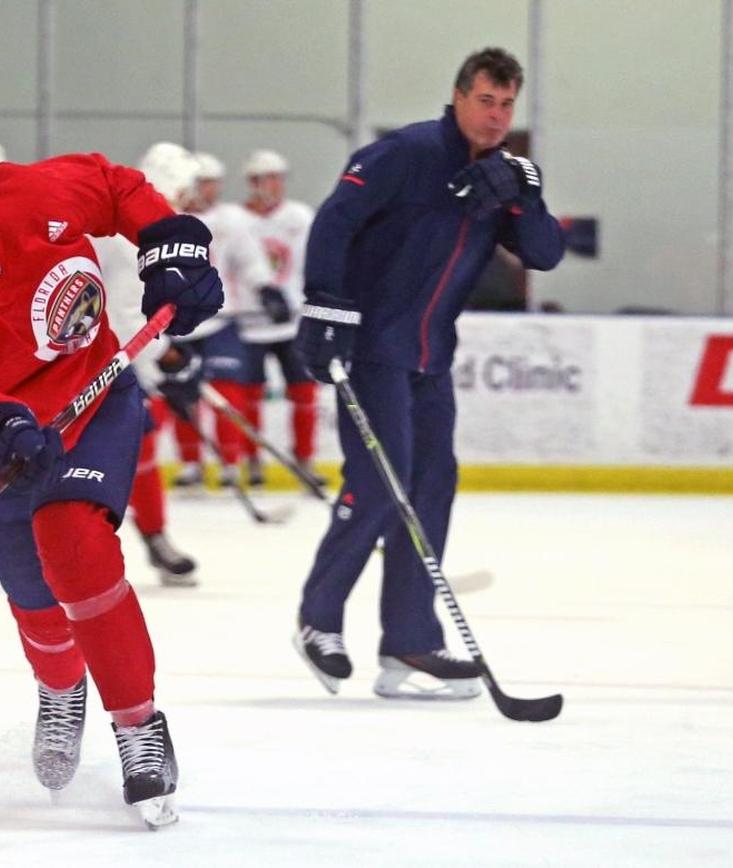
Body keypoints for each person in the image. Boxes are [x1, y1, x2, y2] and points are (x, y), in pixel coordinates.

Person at [0, 143, 222, 822]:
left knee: (74, 548)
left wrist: (167, 241)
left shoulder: (31, 200)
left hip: (93, 410)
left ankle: (138, 728)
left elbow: (114, 185)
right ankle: (61, 691)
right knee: (36, 602)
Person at [292, 47, 565, 699]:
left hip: (429, 356)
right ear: (459, 96)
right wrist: (325, 305)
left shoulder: (504, 176)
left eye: (506, 105)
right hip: (373, 348)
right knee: (382, 484)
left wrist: (526, 198)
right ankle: (319, 621)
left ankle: (409, 643)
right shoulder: (408, 153)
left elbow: (546, 255)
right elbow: (336, 220)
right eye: (485, 101)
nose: (496, 117)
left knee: (434, 483)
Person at [93, 142, 204, 587]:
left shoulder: (139, 228)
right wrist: (168, 358)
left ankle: (155, 540)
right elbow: (122, 318)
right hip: (99, 362)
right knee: (121, 454)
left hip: (116, 360)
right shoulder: (129, 238)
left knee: (139, 448)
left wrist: (163, 367)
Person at [170, 151, 276, 488]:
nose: (206, 190)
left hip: (220, 318)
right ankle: (191, 464)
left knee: (227, 392)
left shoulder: (230, 220)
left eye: (212, 184)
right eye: (201, 183)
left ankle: (231, 462)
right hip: (177, 322)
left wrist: (264, 289)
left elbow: (248, 260)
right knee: (182, 396)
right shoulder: (164, 218)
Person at [238, 149, 320, 487]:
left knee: (304, 392)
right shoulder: (236, 220)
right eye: (267, 179)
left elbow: (310, 262)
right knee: (248, 397)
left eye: (278, 178)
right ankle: (253, 460)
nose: (275, 186)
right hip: (250, 322)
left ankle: (304, 459)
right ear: (252, 182)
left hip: (292, 321)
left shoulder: (299, 216)